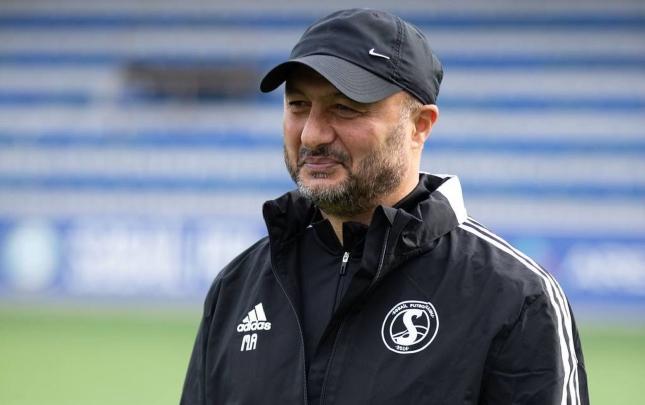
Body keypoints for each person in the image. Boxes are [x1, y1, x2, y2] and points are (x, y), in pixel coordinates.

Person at [180, 8, 589, 405]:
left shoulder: (515, 297)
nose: (312, 135)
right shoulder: (237, 287)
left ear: (420, 126)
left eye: (344, 108)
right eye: (298, 105)